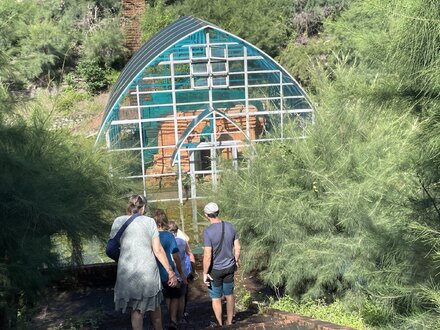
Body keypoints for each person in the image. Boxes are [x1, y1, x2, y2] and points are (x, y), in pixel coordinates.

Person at [109, 195, 178, 330]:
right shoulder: (149, 222)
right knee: (155, 307)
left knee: (136, 310)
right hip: (148, 273)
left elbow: (111, 248)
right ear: (144, 207)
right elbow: (158, 250)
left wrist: (122, 260)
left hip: (127, 271)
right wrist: (170, 271)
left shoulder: (118, 221)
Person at [202, 202, 240, 327]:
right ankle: (229, 322)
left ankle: (219, 324)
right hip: (229, 267)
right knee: (229, 295)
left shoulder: (208, 232)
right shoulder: (230, 226)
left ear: (207, 215)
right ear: (218, 212)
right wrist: (236, 261)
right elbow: (237, 247)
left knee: (216, 298)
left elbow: (207, 255)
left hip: (215, 270)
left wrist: (205, 272)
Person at [152, 209, 187, 330]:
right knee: (174, 296)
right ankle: (173, 320)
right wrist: (181, 272)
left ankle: (161, 322)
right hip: (168, 270)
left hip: (155, 271)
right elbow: (176, 256)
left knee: (164, 297)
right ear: (165, 221)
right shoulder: (169, 235)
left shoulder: (151, 236)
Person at [168, 221, 195, 323]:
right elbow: (189, 254)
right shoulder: (182, 240)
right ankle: (180, 318)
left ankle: (171, 318)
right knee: (181, 296)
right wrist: (192, 269)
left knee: (170, 297)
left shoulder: (166, 241)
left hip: (170, 272)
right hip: (182, 271)